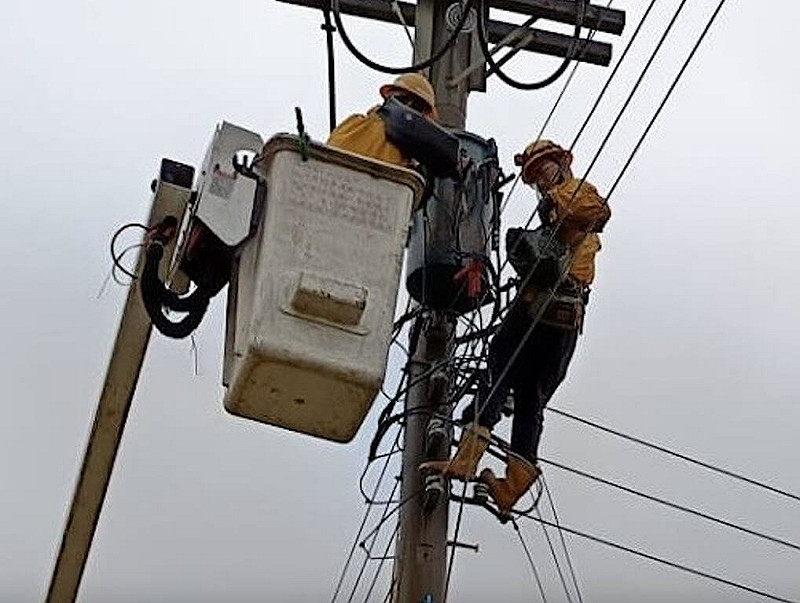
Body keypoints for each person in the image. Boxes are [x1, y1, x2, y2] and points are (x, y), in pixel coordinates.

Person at [421, 140, 610, 518]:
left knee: (499, 369)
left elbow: (599, 212)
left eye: (543, 170)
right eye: (535, 177)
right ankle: (512, 484)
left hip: (542, 306)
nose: (540, 180)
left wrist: (555, 202)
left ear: (564, 162)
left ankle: (468, 458)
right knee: (529, 397)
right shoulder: (558, 206)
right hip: (563, 316)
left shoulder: (575, 191)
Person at [326, 73, 439, 168]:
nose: (407, 108)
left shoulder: (411, 151)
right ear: (389, 96)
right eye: (402, 100)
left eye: (416, 107)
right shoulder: (355, 124)